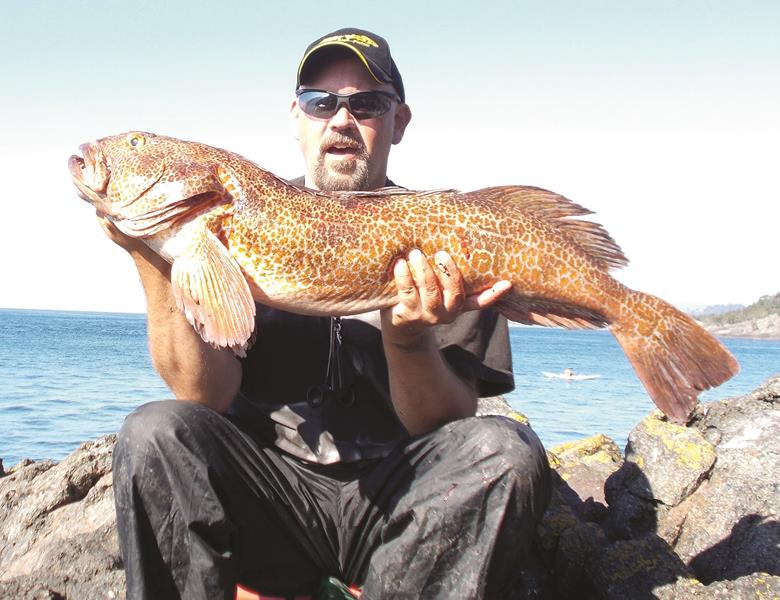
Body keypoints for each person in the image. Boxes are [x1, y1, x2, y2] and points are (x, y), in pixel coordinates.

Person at [106, 28, 551, 599]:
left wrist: (409, 340)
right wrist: (154, 256)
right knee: (152, 433)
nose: (341, 119)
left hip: (397, 503)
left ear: (399, 121)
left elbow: (446, 426)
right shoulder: (232, 222)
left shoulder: (449, 237)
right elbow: (202, 397)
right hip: (272, 502)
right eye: (321, 102)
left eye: (367, 104)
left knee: (504, 451)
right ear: (296, 116)